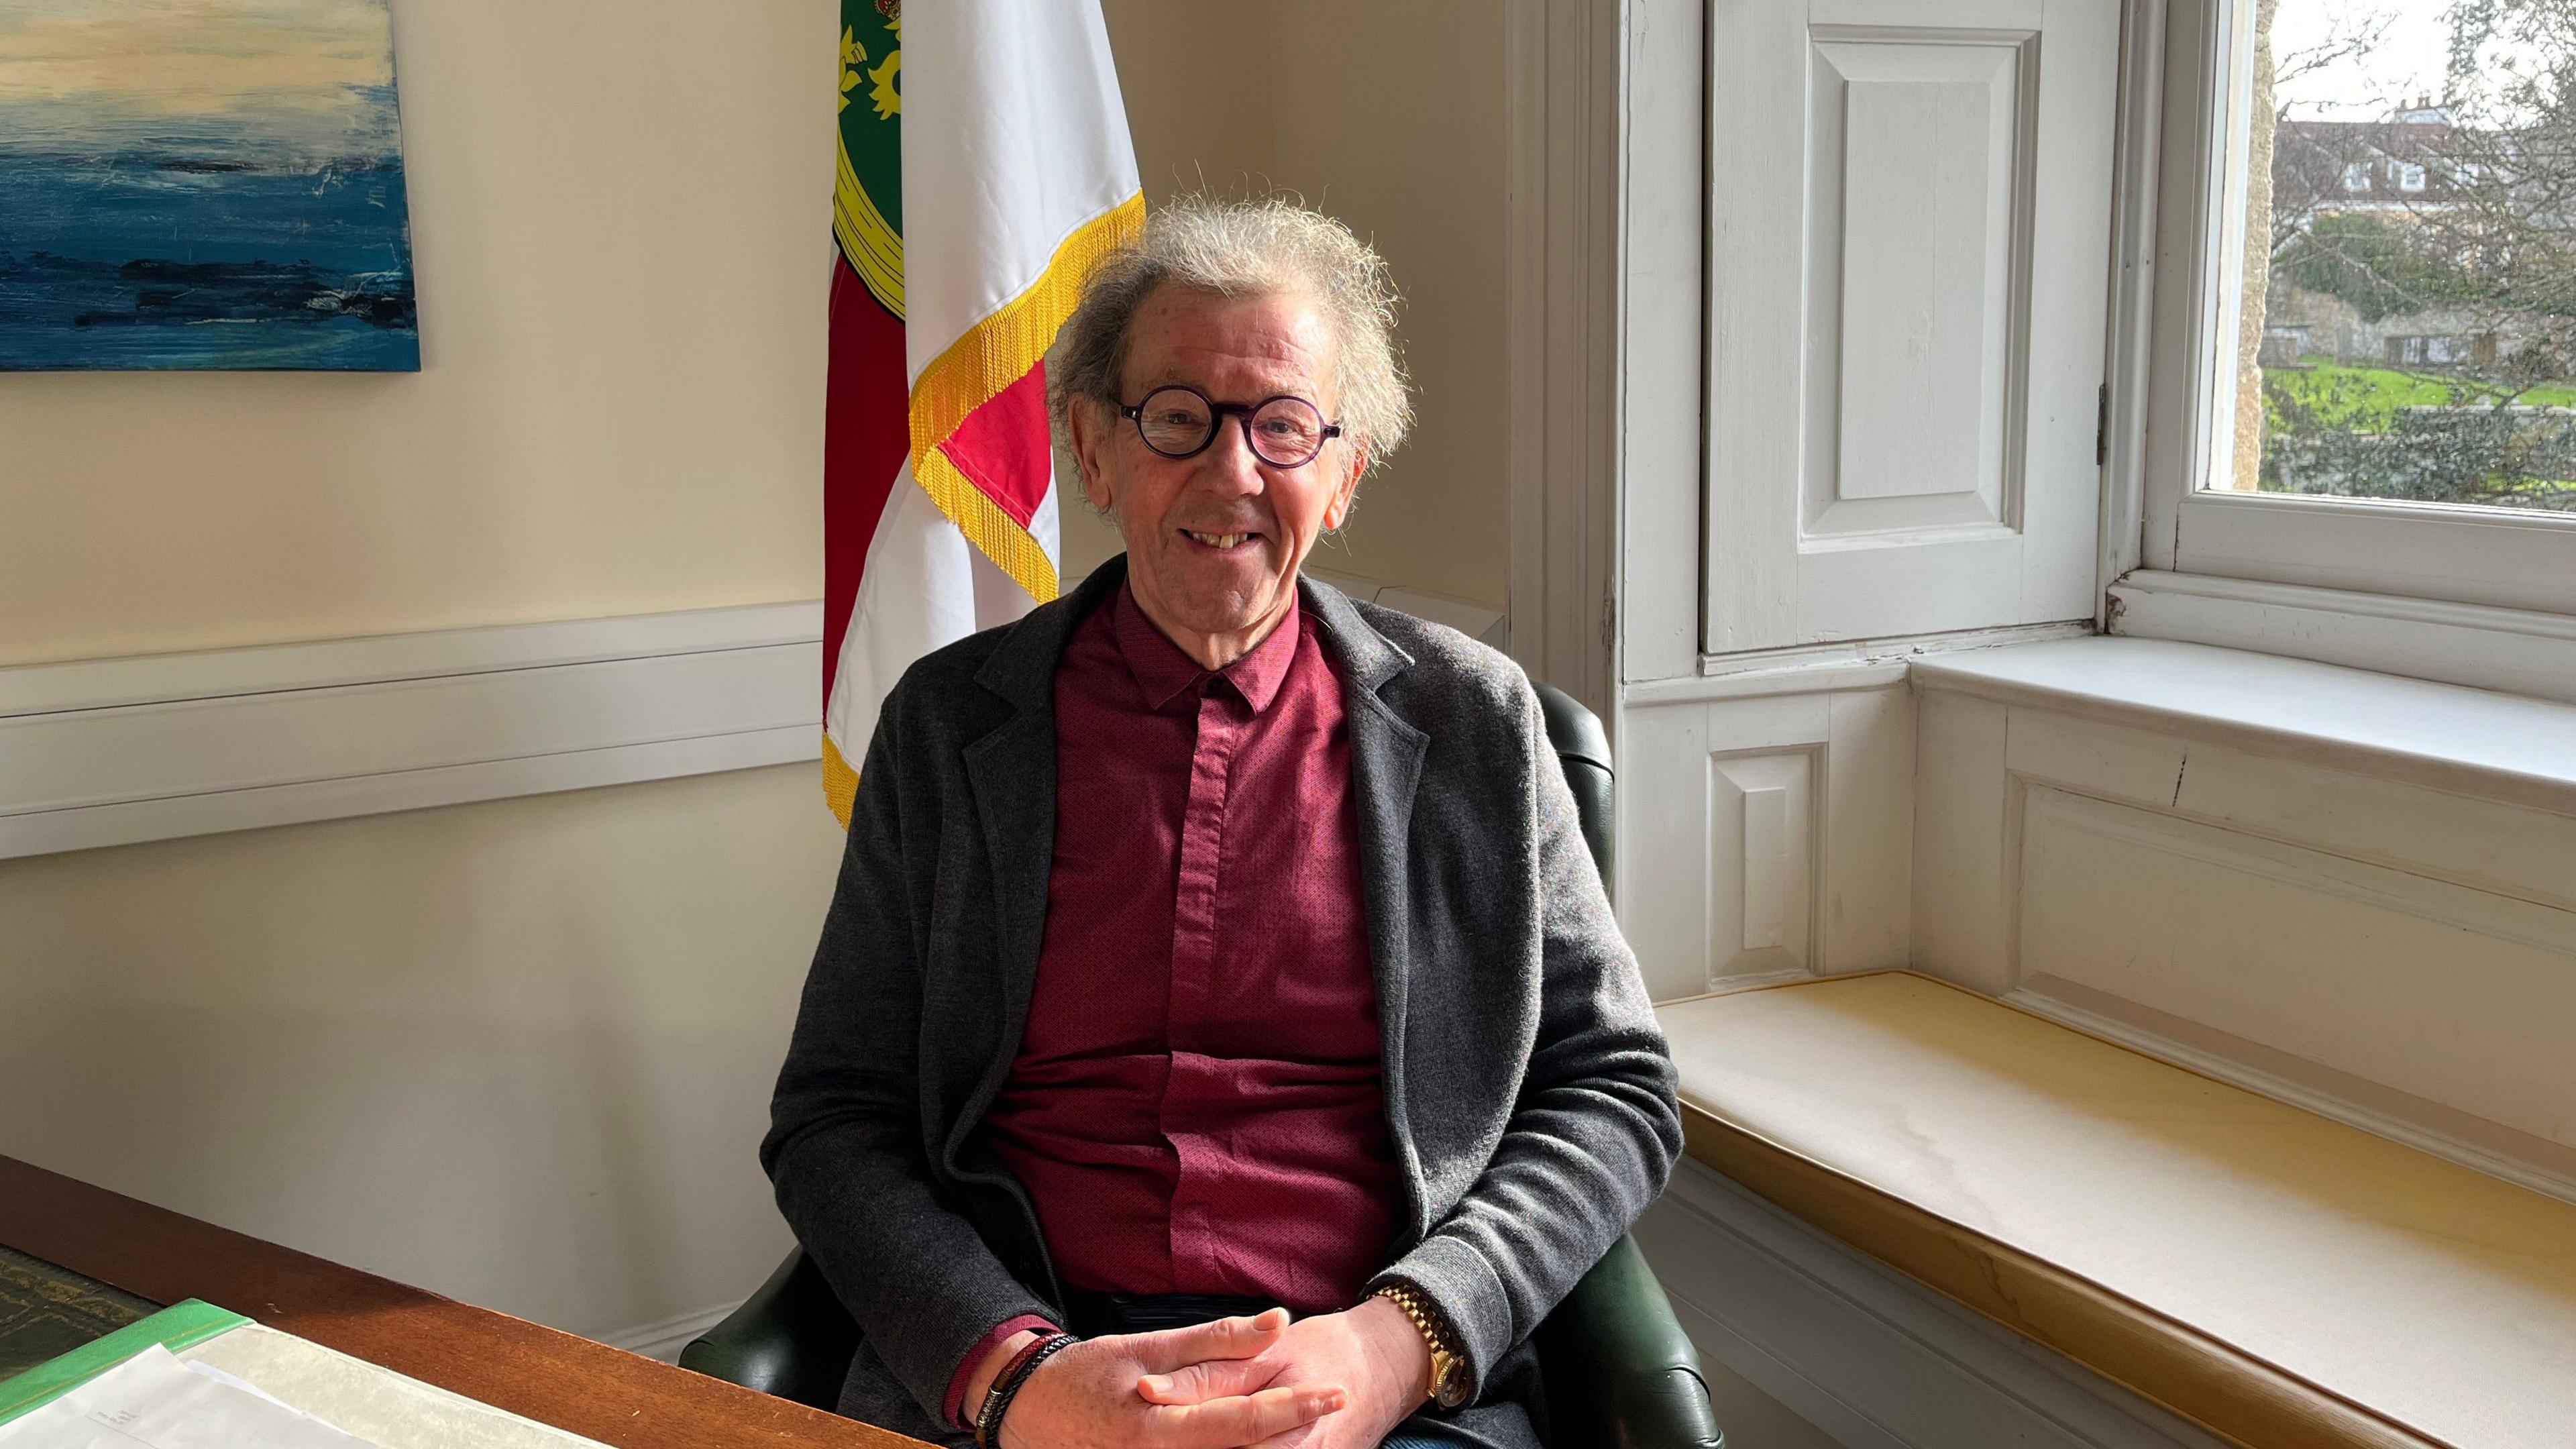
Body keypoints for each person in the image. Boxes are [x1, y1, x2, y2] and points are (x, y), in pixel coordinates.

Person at [762, 196, 1680, 1449]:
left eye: (1285, 426)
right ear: (1093, 449)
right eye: (1178, 417)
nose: (1232, 470)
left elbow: (1614, 1087)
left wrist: (1404, 1339)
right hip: (1038, 1382)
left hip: (1371, 1393)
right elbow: (835, 1117)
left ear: (1343, 474)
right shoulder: (950, 729)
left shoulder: (1479, 728)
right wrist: (1014, 1376)